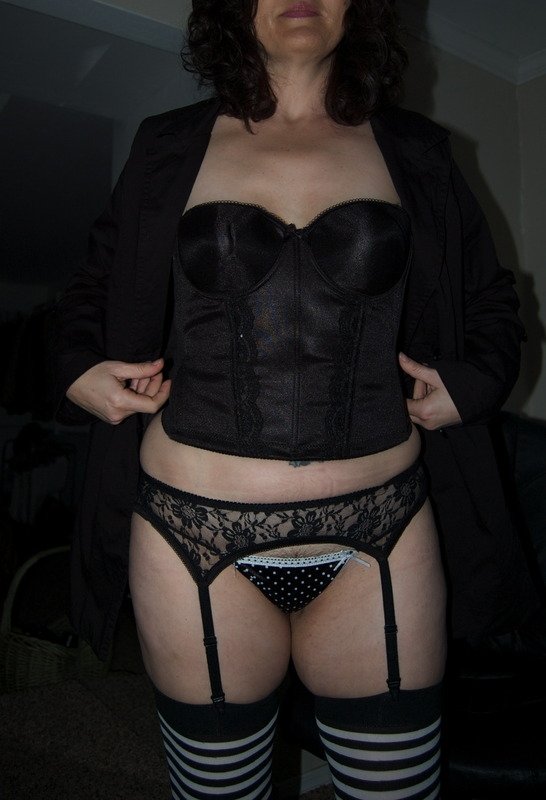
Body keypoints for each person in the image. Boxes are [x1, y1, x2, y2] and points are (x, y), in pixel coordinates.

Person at [54, 1, 534, 798]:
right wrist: (77, 365)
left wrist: (472, 383)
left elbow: (491, 301)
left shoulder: (417, 152)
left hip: (383, 534)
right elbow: (91, 286)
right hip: (191, 537)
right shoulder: (167, 146)